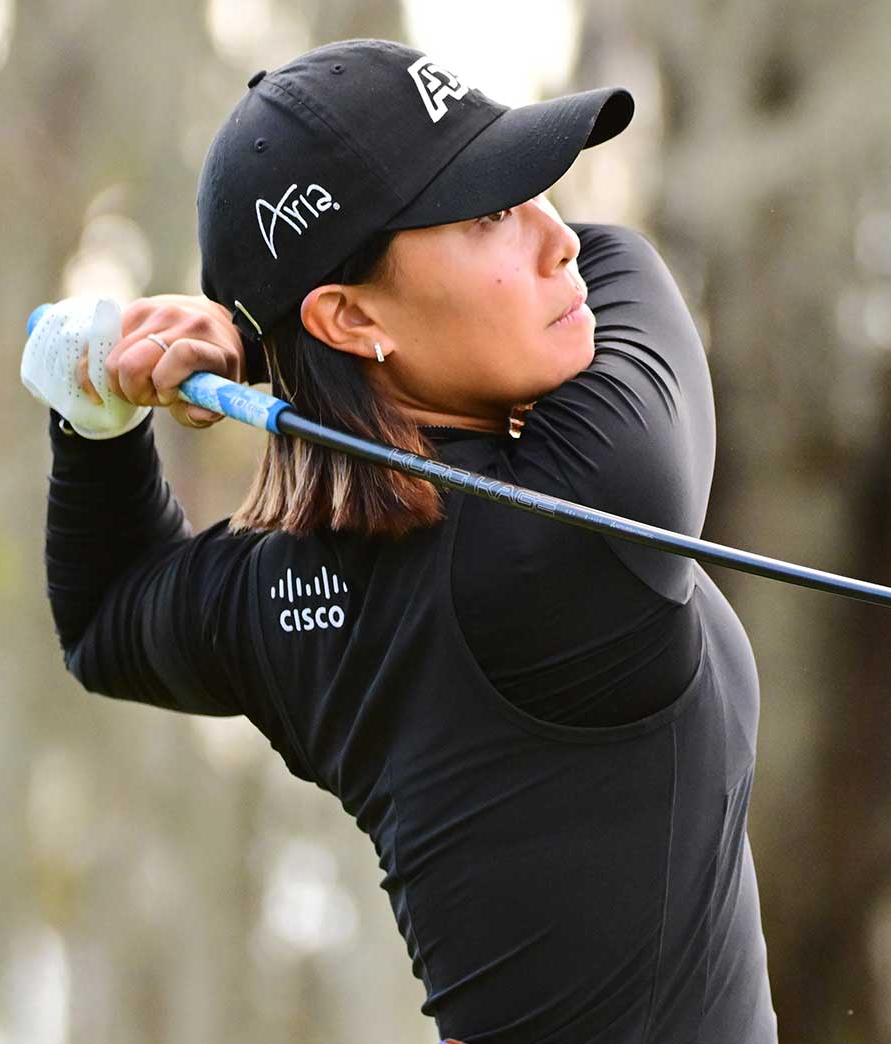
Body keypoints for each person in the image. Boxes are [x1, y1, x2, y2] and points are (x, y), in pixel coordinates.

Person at [39, 38, 776, 1044]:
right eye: (486, 214)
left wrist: (96, 413)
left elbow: (103, 616)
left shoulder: (279, 597)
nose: (555, 239)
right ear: (348, 317)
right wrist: (260, 333)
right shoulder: (575, 514)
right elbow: (622, 261)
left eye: (527, 193)